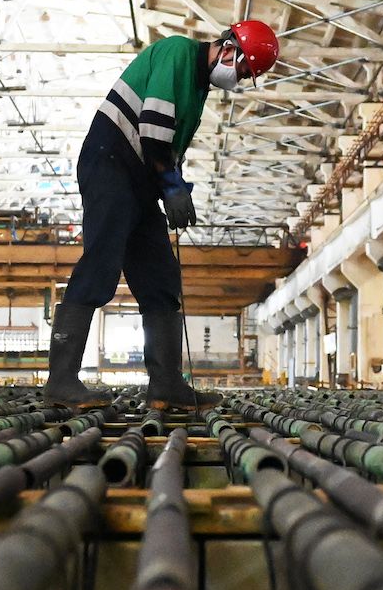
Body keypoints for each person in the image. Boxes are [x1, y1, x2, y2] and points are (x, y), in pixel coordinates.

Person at [44, 21, 280, 410]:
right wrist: (170, 186)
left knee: (161, 279)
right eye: (242, 70)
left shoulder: (198, 88)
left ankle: (167, 385)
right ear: (227, 50)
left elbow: (168, 147)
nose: (238, 79)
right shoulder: (177, 53)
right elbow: (153, 129)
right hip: (111, 162)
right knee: (101, 264)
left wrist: (175, 186)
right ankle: (61, 381)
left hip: (138, 178)